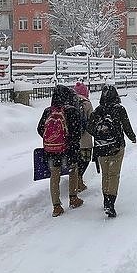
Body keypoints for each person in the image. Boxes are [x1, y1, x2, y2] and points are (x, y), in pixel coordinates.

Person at [87, 85, 136, 218]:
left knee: (105, 174)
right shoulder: (119, 109)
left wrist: (99, 134)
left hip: (101, 147)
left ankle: (105, 200)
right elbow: (126, 126)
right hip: (116, 147)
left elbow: (89, 127)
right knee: (114, 175)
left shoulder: (97, 110)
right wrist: (132, 137)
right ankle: (110, 203)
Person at [37, 84, 84, 217]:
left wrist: (52, 140)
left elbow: (40, 129)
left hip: (51, 151)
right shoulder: (71, 110)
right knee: (73, 171)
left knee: (54, 176)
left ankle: (56, 206)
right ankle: (73, 198)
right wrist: (68, 142)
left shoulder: (48, 111)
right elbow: (77, 132)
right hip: (69, 150)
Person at [74, 81, 93, 192]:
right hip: (85, 138)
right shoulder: (87, 103)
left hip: (73, 139)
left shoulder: (70, 102)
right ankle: (79, 179)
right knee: (85, 160)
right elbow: (92, 120)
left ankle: (75, 179)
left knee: (75, 160)